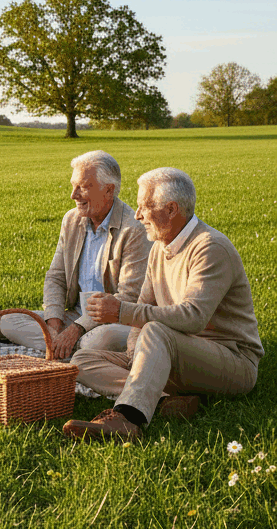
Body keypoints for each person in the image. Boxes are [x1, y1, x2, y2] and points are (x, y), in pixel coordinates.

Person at [63, 168, 264, 441]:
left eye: (144, 207)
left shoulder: (210, 247)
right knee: (82, 359)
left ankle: (128, 419)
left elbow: (193, 318)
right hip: (179, 355)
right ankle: (164, 400)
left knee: (155, 330)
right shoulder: (160, 246)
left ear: (171, 209)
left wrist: (121, 312)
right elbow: (146, 303)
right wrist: (136, 355)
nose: (137, 215)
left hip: (231, 361)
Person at [0, 151, 150, 358]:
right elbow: (56, 276)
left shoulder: (133, 229)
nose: (73, 195)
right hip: (76, 316)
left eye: (83, 187)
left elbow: (128, 296)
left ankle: (68, 350)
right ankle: (67, 350)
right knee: (10, 322)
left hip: (114, 321)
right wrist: (54, 324)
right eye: (73, 185)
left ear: (109, 190)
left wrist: (76, 329)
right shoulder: (72, 220)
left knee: (99, 340)